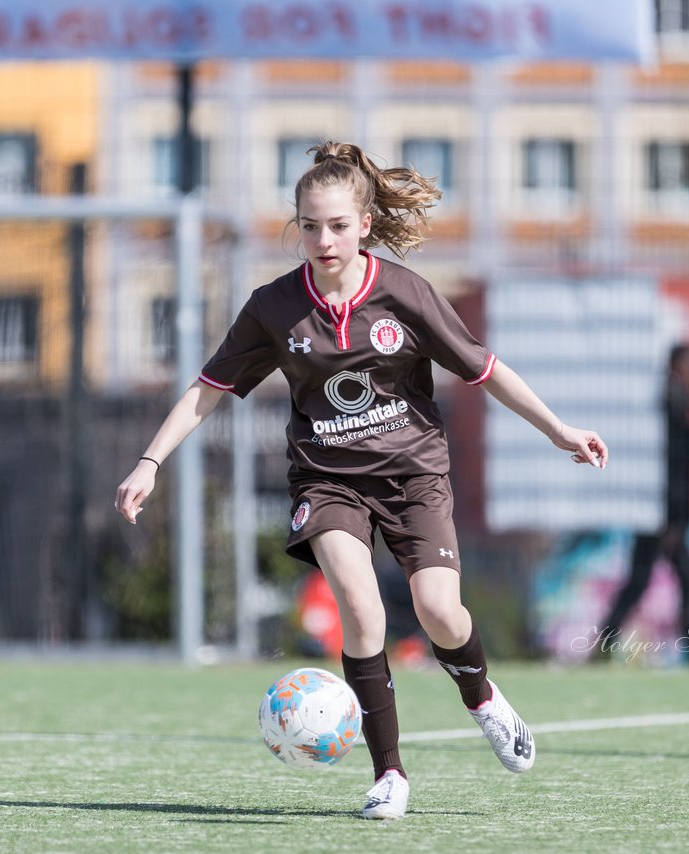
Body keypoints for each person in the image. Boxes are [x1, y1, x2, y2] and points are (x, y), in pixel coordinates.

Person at [115, 141, 608, 821]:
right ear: (297, 227)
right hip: (327, 480)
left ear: (366, 224)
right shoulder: (273, 307)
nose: (324, 239)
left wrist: (559, 430)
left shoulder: (405, 293)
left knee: (439, 611)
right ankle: (389, 774)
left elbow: (485, 370)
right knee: (359, 605)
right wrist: (150, 462)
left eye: (338, 225)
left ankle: (483, 697)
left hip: (412, 475)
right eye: (310, 225)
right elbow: (208, 388)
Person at [595, 342, 689, 662]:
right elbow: (675, 458)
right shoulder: (673, 400)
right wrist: (673, 522)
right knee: (674, 579)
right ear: (677, 367)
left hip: (666, 511)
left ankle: (603, 646)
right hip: (662, 511)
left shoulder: (683, 402)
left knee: (652, 580)